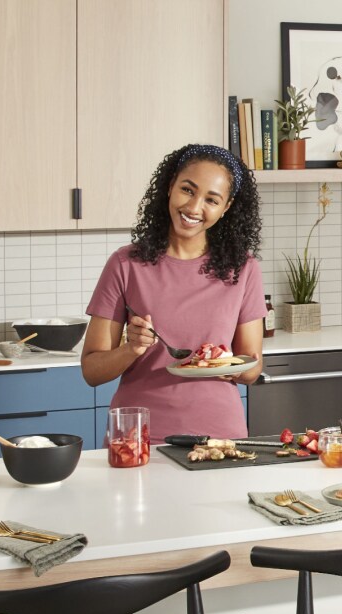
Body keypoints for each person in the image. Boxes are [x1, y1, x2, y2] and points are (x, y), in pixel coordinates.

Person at [81, 143, 266, 440]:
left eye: (212, 199)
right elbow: (91, 371)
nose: (193, 208)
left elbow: (252, 366)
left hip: (219, 436)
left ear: (226, 208)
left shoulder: (243, 268)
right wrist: (132, 348)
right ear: (170, 187)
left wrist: (229, 366)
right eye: (188, 190)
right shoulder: (125, 264)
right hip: (138, 438)